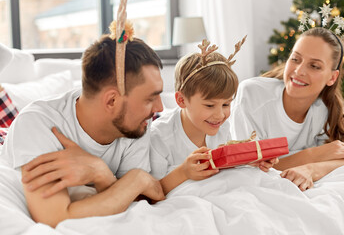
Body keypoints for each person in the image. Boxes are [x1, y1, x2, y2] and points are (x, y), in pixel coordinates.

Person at [1, 28, 165, 227]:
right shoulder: (37, 125)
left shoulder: (135, 126)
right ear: (112, 100)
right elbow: (54, 218)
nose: (159, 108)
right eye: (150, 98)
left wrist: (101, 175)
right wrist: (137, 179)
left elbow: (138, 201)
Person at [231, 27, 344, 191]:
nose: (299, 71)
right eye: (295, 59)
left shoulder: (324, 108)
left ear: (332, 77)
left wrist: (311, 169)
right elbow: (248, 169)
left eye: (314, 66)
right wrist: (315, 154)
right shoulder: (252, 94)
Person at [150, 39, 278, 195]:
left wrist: (250, 161)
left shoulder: (220, 125)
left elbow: (222, 163)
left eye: (226, 104)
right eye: (209, 106)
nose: (220, 115)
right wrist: (183, 172)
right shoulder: (159, 136)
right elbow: (152, 192)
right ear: (181, 100)